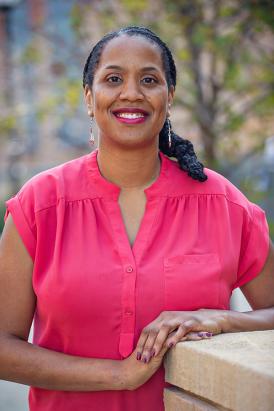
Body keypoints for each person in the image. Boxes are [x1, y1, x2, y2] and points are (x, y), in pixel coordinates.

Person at [0, 26, 273, 411]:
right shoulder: (40, 205)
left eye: (149, 79)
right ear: (89, 97)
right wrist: (119, 375)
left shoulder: (223, 203)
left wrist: (221, 319)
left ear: (169, 97)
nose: (132, 92)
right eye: (114, 79)